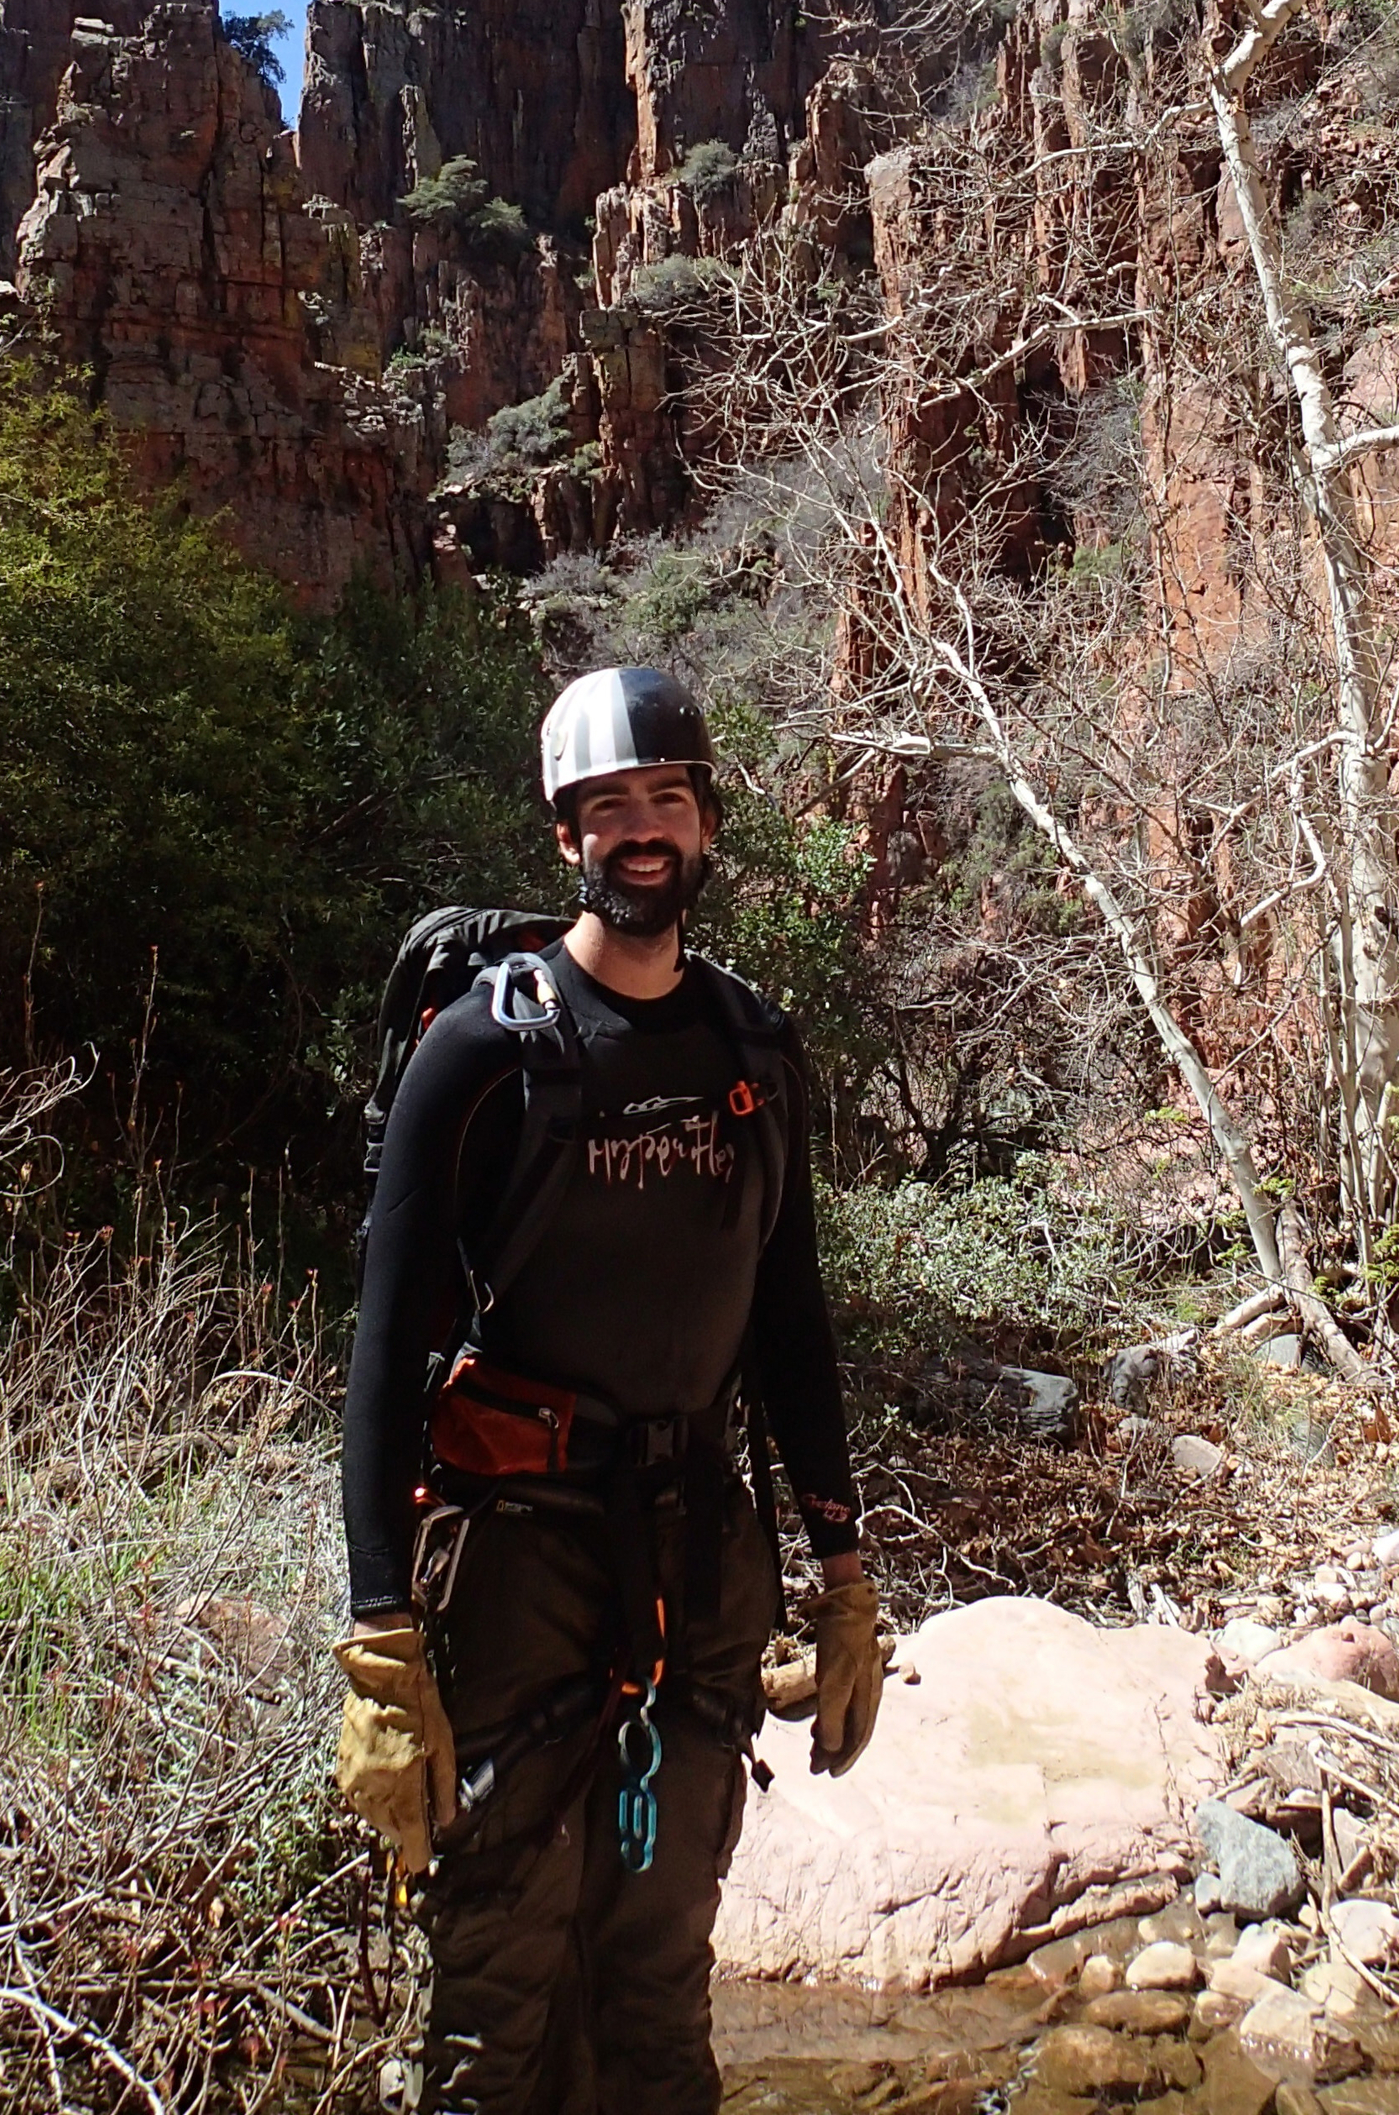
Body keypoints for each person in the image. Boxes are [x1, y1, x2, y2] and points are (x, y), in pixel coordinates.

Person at [334, 664, 883, 2115]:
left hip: (699, 1559)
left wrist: (844, 1574)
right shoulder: (481, 1053)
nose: (643, 830)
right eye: (610, 806)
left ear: (706, 823)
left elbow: (792, 1320)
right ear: (565, 830)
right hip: (516, 1562)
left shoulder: (755, 1048)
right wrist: (381, 1637)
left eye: (668, 799)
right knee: (499, 1970)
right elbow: (385, 1349)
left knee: (659, 1970)